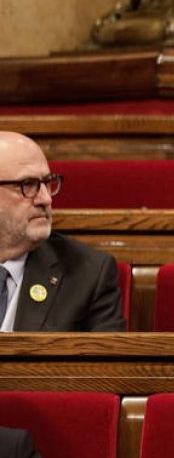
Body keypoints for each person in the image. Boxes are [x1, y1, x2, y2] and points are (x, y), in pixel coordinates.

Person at [0, 132, 125, 332]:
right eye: (27, 185)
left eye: (47, 183)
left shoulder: (88, 274)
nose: (45, 199)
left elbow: (105, 362)